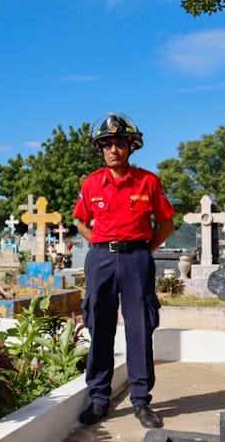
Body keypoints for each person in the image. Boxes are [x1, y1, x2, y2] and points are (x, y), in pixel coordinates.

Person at [73, 113, 176, 428]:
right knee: (100, 328)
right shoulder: (91, 183)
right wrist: (101, 244)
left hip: (136, 260)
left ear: (132, 147)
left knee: (139, 330)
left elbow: (167, 223)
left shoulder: (148, 181)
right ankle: (100, 400)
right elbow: (80, 221)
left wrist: (144, 251)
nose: (112, 150)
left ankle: (142, 403)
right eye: (106, 145)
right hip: (101, 260)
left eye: (119, 143)